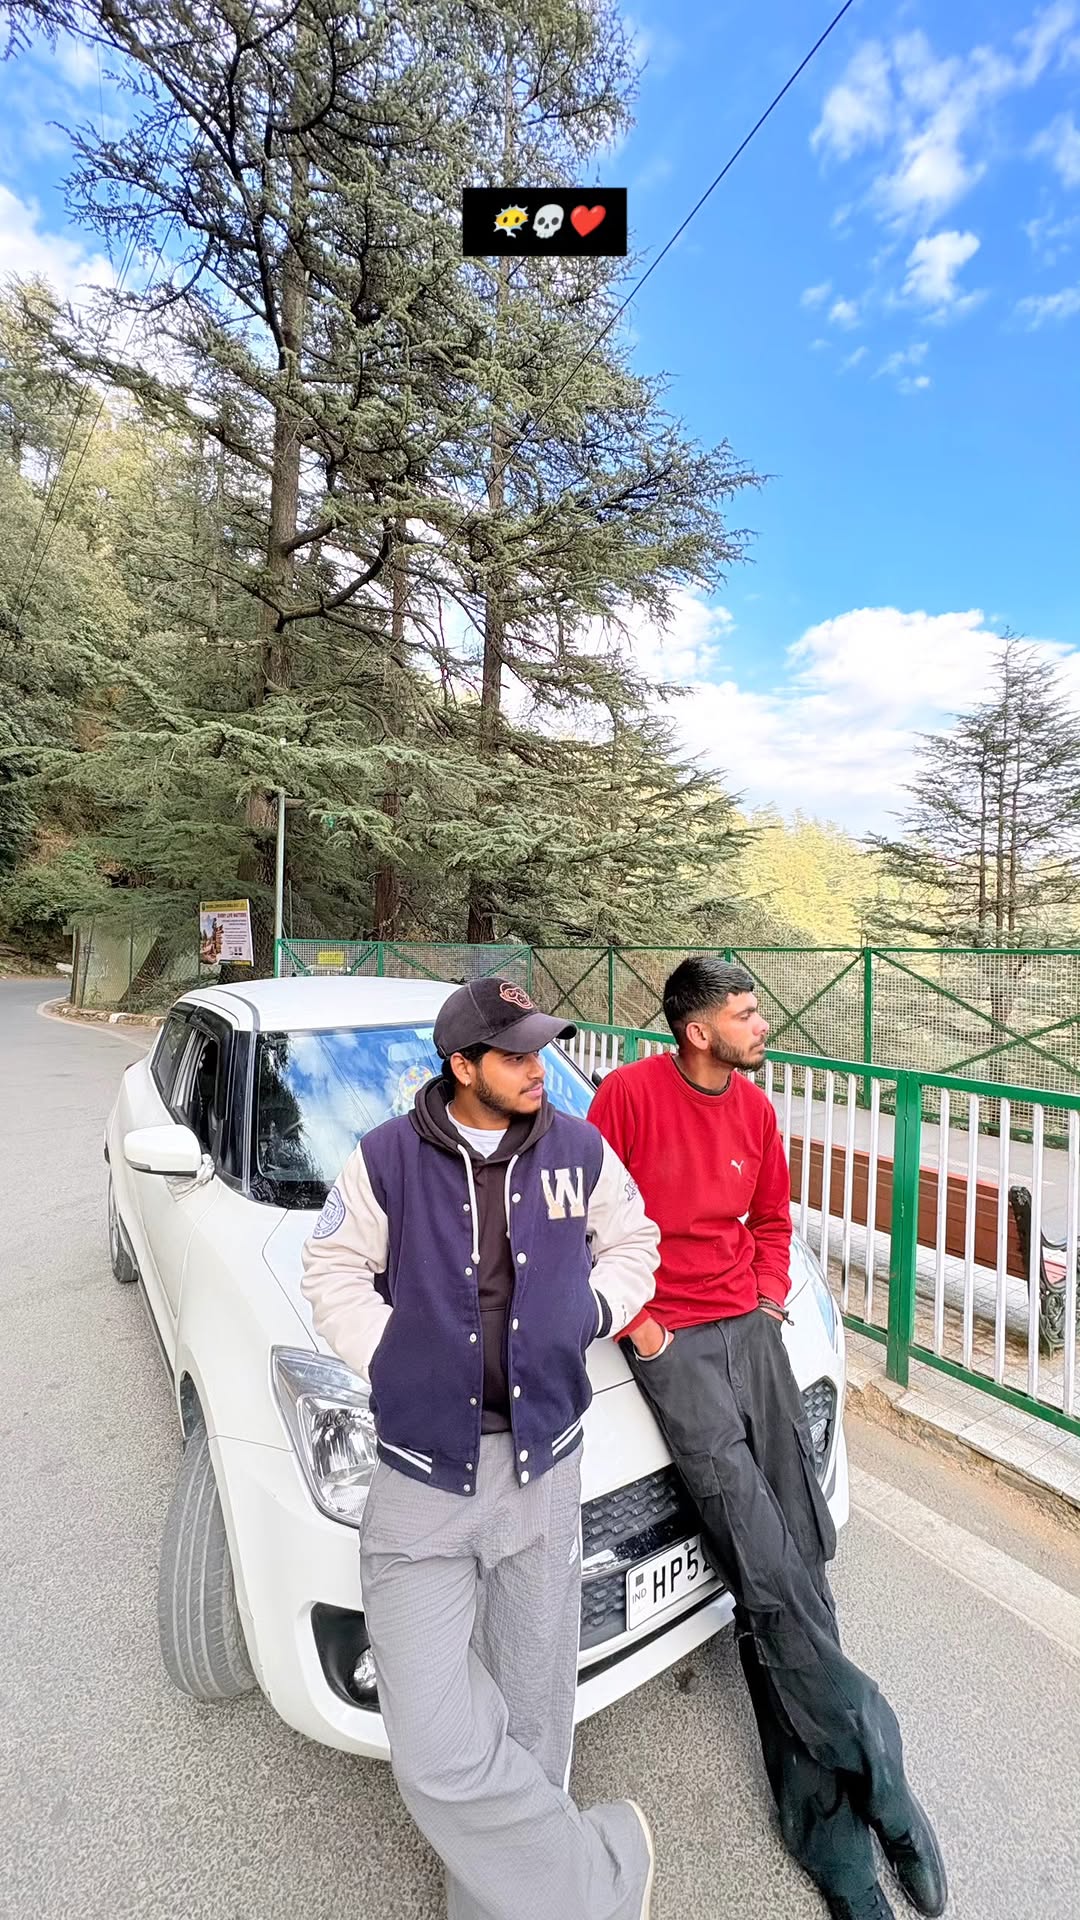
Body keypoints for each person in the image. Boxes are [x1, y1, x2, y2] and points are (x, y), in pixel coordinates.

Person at [589, 956, 948, 1920]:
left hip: (749, 1334)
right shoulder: (627, 1098)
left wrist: (763, 1294)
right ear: (697, 1029)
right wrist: (642, 1328)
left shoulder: (752, 1110)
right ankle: (879, 1784)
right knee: (763, 1554)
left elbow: (770, 1221)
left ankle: (824, 1821)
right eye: (745, 1013)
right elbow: (586, 1222)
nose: (761, 1024)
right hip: (671, 1346)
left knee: (794, 1559)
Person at [301, 977, 660, 1920]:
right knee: (432, 1744)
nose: (539, 1067)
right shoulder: (387, 1159)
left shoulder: (579, 1150)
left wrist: (592, 1309)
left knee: (534, 1713)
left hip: (544, 1469)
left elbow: (635, 1242)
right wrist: (393, 1355)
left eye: (541, 1048)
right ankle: (604, 1874)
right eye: (515, 1054)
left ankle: (508, 1906)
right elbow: (332, 1265)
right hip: (423, 1476)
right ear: (462, 1066)